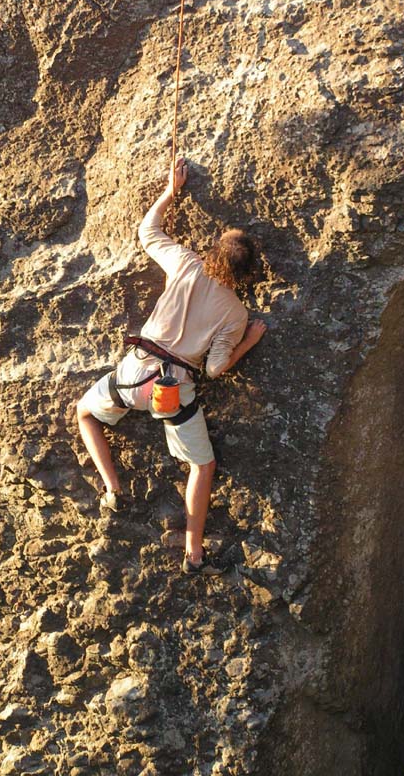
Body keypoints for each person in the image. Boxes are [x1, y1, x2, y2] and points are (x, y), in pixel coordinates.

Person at [76, 157, 267, 575]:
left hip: (134, 374)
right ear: (246, 273)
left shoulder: (185, 262)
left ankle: (112, 488)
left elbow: (148, 232)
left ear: (215, 252)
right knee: (203, 465)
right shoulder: (235, 313)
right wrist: (248, 342)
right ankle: (194, 552)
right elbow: (216, 369)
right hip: (172, 393)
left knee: (85, 412)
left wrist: (170, 192)